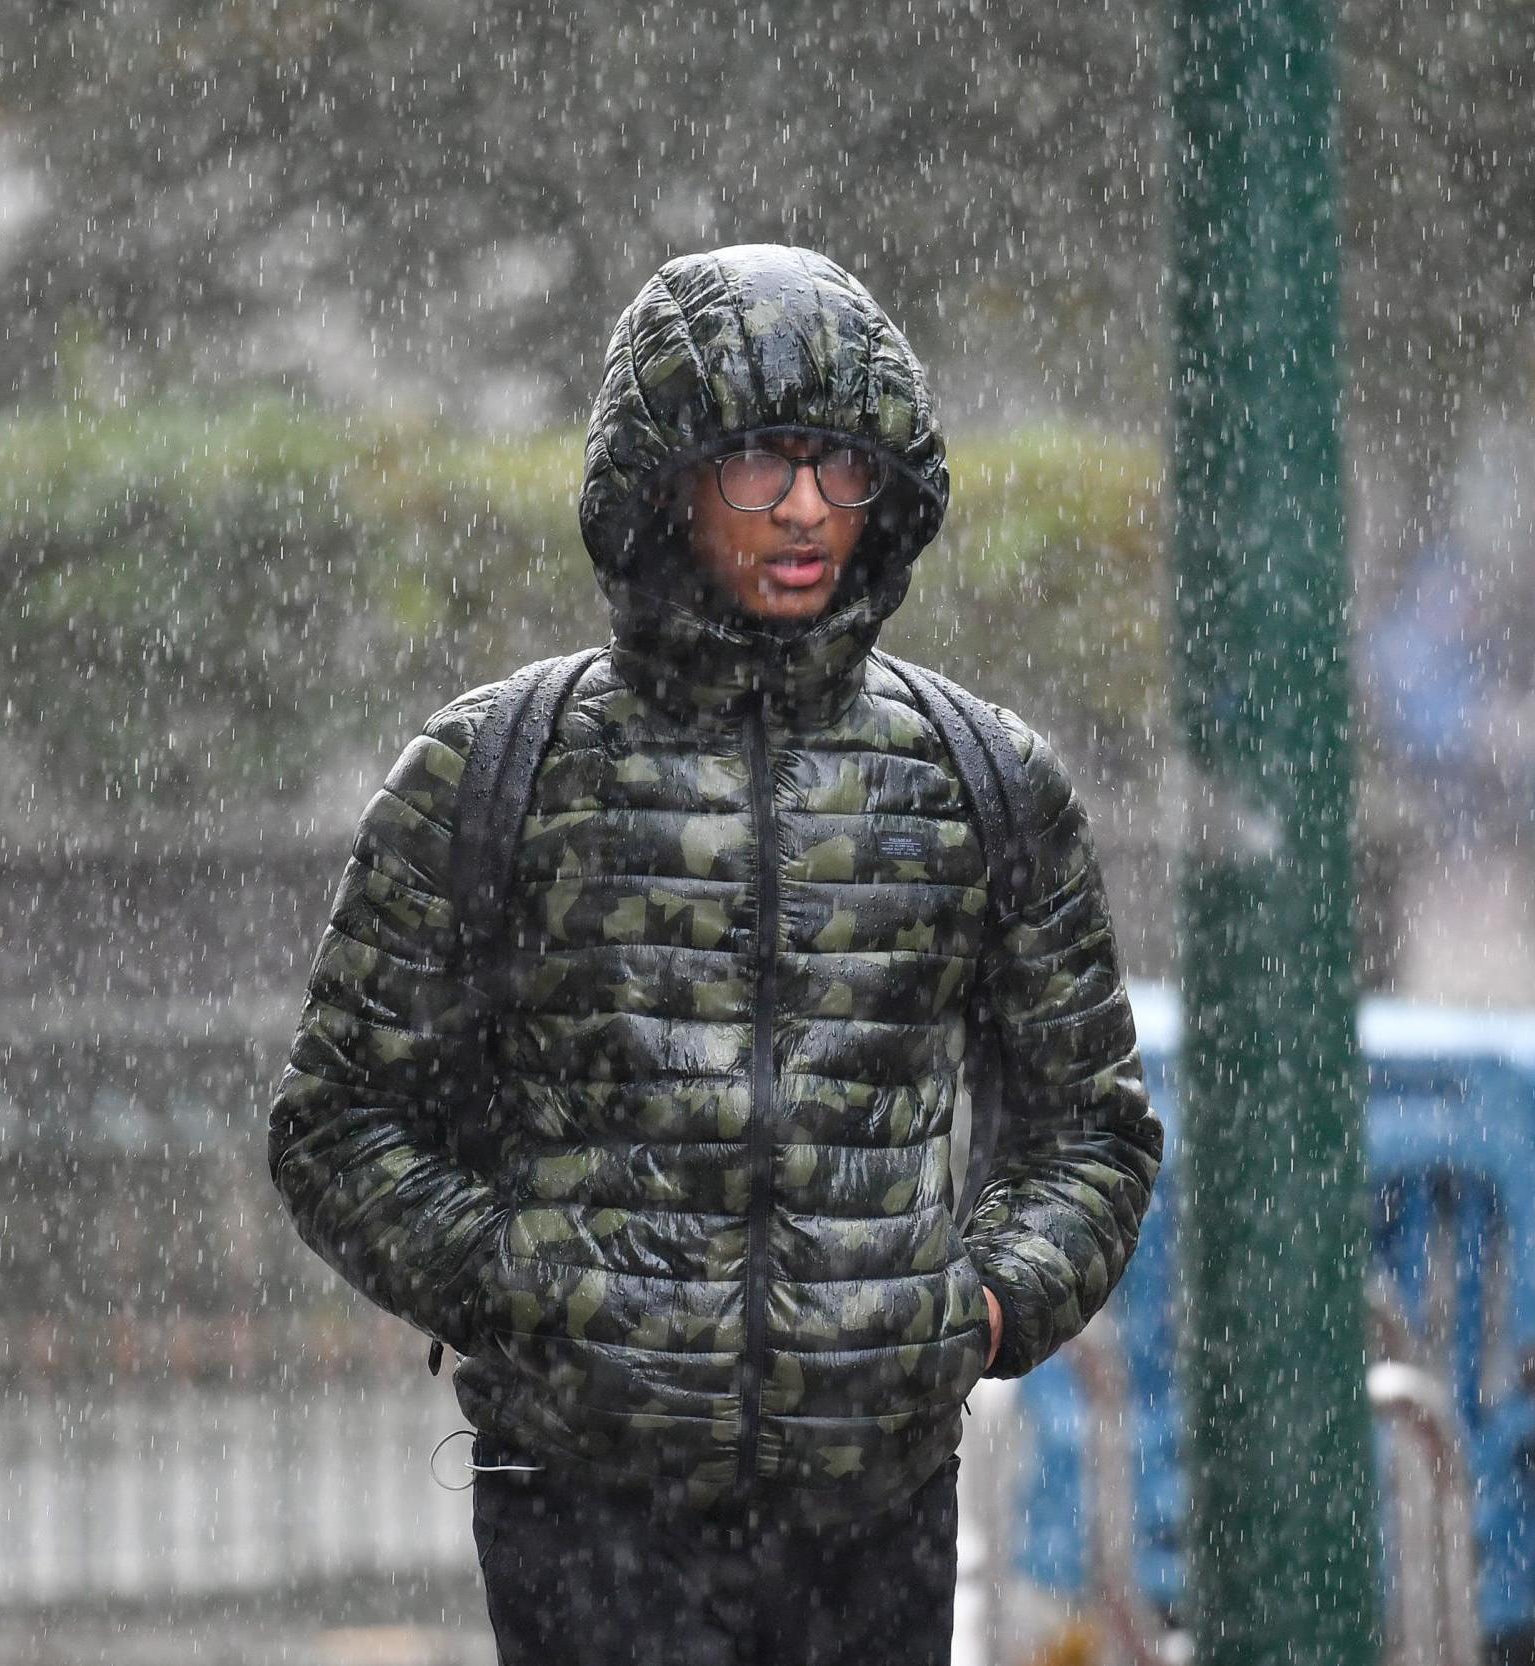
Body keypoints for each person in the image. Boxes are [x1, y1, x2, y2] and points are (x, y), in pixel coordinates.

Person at [268, 243, 1162, 1665]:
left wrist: (969, 1311)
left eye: (840, 467)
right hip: (583, 1513)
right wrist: (529, 1289)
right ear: (666, 481)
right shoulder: (494, 769)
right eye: (757, 464)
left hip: (871, 1516)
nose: (806, 509)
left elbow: (1093, 1133)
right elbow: (337, 1125)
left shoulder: (979, 779)